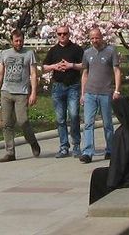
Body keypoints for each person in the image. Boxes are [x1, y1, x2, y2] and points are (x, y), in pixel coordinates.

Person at [88, 95, 129, 204]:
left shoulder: (122, 134)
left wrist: (111, 184)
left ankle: (98, 207)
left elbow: (119, 164)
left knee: (98, 175)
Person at [0, 29, 41, 161]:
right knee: (6, 123)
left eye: (21, 40)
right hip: (6, 92)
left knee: (23, 121)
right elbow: (0, 74)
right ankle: (10, 152)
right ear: (11, 41)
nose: (19, 43)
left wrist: (33, 92)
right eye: (16, 41)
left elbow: (33, 74)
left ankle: (33, 142)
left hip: (22, 93)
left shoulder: (29, 54)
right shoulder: (5, 54)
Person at [79, 25, 122, 164]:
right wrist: (83, 93)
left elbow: (116, 71)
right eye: (92, 38)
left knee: (107, 123)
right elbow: (85, 74)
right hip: (90, 93)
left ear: (101, 37)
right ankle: (87, 152)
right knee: (88, 123)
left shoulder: (110, 51)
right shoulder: (87, 53)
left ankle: (110, 149)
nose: (94, 40)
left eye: (97, 37)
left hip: (106, 92)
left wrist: (117, 90)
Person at [43, 25, 85, 158]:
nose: (62, 36)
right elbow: (44, 67)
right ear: (56, 35)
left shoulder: (76, 49)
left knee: (73, 115)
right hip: (58, 87)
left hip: (73, 86)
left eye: (65, 34)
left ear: (69, 34)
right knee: (60, 119)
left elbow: (84, 65)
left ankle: (76, 145)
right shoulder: (53, 50)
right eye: (60, 34)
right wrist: (54, 66)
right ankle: (63, 146)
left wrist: (71, 65)